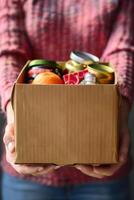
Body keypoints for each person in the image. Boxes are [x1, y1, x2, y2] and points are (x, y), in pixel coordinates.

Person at [0, 0, 134, 199]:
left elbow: (122, 49)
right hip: (28, 178)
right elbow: (9, 51)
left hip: (102, 173)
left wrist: (120, 110)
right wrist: (14, 117)